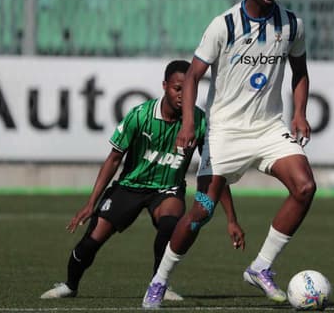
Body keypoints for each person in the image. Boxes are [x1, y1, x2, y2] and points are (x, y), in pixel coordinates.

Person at [142, 0, 316, 309]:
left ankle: (261, 268)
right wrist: (189, 122)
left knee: (305, 187)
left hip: (268, 128)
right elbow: (192, 76)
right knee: (201, 211)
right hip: (225, 134)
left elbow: (300, 71)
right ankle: (159, 281)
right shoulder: (224, 25)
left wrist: (299, 113)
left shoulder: (291, 25)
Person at [40, 60, 245, 300]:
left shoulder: (199, 123)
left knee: (170, 226)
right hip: (129, 187)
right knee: (91, 241)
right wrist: (90, 203)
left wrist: (232, 219)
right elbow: (114, 159)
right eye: (177, 89)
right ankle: (70, 285)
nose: (182, 95)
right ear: (164, 86)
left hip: (167, 189)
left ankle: (159, 285)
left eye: (188, 89)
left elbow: (214, 171)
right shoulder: (140, 116)